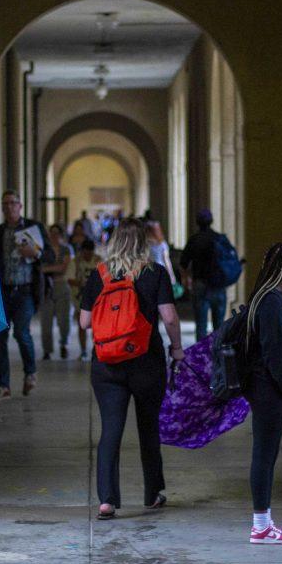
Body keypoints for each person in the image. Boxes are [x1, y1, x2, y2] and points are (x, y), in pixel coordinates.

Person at [79, 218, 185, 519]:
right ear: (143, 242)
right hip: (146, 362)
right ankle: (152, 494)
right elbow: (170, 318)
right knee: (148, 427)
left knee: (110, 430)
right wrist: (176, 350)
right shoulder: (155, 273)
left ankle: (107, 500)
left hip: (107, 364)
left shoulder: (99, 275)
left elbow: (84, 323)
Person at [244, 243, 282, 545]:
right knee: (264, 456)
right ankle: (261, 526)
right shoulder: (270, 303)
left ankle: (264, 524)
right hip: (268, 391)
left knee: (267, 456)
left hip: (275, 392)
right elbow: (276, 357)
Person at [0, 190, 53, 400]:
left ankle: (30, 373)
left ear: (20, 206)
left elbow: (50, 254)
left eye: (13, 203)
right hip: (2, 291)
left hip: (25, 291)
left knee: (22, 332)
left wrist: (36, 253)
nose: (9, 207)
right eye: (5, 204)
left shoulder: (34, 228)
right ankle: (4, 386)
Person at [179, 209, 228, 341]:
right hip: (218, 285)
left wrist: (186, 281)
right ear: (211, 221)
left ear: (197, 222)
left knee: (201, 325)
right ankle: (217, 357)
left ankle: (202, 357)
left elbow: (183, 263)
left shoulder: (194, 240)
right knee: (219, 326)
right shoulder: (219, 238)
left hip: (200, 284)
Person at [39, 224, 74, 360]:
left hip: (62, 285)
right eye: (51, 233)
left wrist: (47, 269)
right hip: (46, 287)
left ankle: (64, 344)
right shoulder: (44, 249)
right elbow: (38, 266)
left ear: (61, 234)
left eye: (56, 233)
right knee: (46, 321)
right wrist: (51, 269)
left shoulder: (66, 249)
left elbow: (63, 268)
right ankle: (47, 350)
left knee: (64, 320)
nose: (54, 236)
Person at [66, 238, 102, 361]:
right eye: (85, 252)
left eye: (90, 253)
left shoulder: (99, 261)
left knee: (96, 325)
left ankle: (96, 350)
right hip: (80, 298)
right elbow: (69, 279)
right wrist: (80, 283)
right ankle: (83, 351)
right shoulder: (75, 261)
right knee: (82, 324)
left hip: (97, 298)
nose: (87, 255)